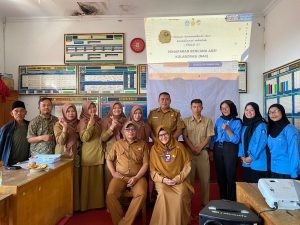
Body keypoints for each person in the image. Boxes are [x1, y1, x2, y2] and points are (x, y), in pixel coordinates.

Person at [106, 121, 149, 225]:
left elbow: (146, 164)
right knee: (110, 194)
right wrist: (113, 173)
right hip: (120, 176)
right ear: (123, 132)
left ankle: (125, 223)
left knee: (141, 193)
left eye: (133, 129)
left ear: (136, 132)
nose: (130, 132)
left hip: (138, 177)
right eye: (128, 129)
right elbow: (109, 159)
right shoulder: (118, 144)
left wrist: (136, 177)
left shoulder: (143, 144)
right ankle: (119, 221)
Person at [149, 126, 194, 225]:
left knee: (181, 194)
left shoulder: (179, 146)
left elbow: (188, 164)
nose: (163, 137)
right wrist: (163, 179)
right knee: (163, 194)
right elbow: (152, 171)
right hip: (162, 181)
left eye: (165, 134)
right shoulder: (154, 149)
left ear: (169, 134)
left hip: (178, 180)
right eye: (160, 135)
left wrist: (178, 178)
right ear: (157, 136)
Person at [183, 99, 214, 206]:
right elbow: (185, 136)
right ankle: (188, 202)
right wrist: (192, 148)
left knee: (205, 180)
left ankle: (205, 203)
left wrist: (199, 148)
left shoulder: (208, 120)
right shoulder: (185, 121)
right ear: (191, 108)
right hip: (189, 153)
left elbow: (209, 136)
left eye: (198, 106)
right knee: (189, 180)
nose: (196, 109)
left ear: (202, 107)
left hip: (203, 153)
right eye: (194, 107)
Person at [212, 100, 242, 201]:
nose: (224, 110)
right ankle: (223, 199)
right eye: (222, 108)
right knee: (220, 176)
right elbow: (215, 135)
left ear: (231, 108)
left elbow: (236, 140)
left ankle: (232, 199)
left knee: (230, 175)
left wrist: (228, 130)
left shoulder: (237, 121)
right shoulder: (219, 120)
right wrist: (212, 148)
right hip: (218, 148)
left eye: (226, 108)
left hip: (230, 148)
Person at [54, 103, 81, 211]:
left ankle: (75, 207)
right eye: (68, 111)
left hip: (76, 154)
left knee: (75, 179)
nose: (71, 113)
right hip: (63, 155)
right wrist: (65, 128)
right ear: (64, 112)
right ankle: (63, 208)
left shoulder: (79, 123)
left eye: (73, 111)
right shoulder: (58, 124)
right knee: (64, 180)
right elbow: (60, 141)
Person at [78, 101, 105, 211]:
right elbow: (84, 138)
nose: (93, 110)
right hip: (89, 154)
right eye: (90, 108)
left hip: (98, 152)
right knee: (87, 181)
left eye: (94, 107)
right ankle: (85, 206)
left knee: (97, 181)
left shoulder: (99, 120)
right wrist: (90, 124)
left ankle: (98, 204)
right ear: (85, 110)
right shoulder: (83, 121)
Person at [267, 103, 300, 179]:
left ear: (282, 112)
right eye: (270, 112)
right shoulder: (271, 128)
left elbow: (294, 152)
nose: (273, 114)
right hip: (274, 169)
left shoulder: (290, 129)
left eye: (276, 111)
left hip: (287, 171)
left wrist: (294, 173)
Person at [101, 102, 127, 193]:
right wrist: (112, 127)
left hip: (123, 153)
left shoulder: (126, 121)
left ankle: (121, 202)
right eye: (114, 108)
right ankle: (110, 202)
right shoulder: (105, 121)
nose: (117, 109)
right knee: (109, 177)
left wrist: (119, 126)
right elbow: (103, 138)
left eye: (119, 107)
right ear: (111, 109)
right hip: (110, 154)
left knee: (122, 177)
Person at [238, 102, 268, 183]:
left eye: (252, 110)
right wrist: (241, 156)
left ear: (256, 111)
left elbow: (261, 144)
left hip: (258, 162)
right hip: (246, 162)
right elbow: (241, 142)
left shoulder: (261, 125)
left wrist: (251, 157)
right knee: (249, 188)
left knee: (257, 190)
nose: (249, 112)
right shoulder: (245, 125)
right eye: (246, 110)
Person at [0, 100, 30, 166]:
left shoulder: (30, 125)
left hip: (26, 163)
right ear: (12, 113)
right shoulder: (6, 129)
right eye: (16, 111)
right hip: (9, 163)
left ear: (25, 112)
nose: (19, 113)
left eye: (22, 110)